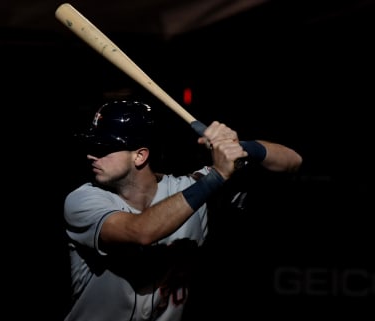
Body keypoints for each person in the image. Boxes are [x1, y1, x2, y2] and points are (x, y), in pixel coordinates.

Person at [62, 100, 302, 321]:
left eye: (104, 147)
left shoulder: (190, 188)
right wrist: (217, 175)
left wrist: (240, 147)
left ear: (140, 155)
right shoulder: (83, 200)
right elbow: (141, 232)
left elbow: (293, 161)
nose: (91, 155)